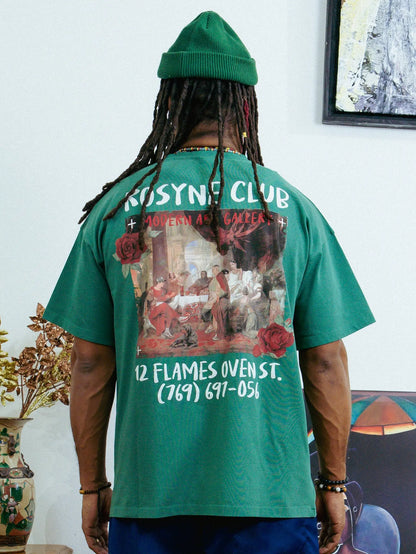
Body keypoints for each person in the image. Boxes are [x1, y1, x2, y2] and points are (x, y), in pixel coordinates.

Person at [44, 11, 375, 554]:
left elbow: (88, 363)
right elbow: (325, 361)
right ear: (246, 107)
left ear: (168, 104)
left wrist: (92, 486)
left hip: (149, 503)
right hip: (269, 501)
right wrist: (334, 484)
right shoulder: (294, 209)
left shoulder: (115, 209)